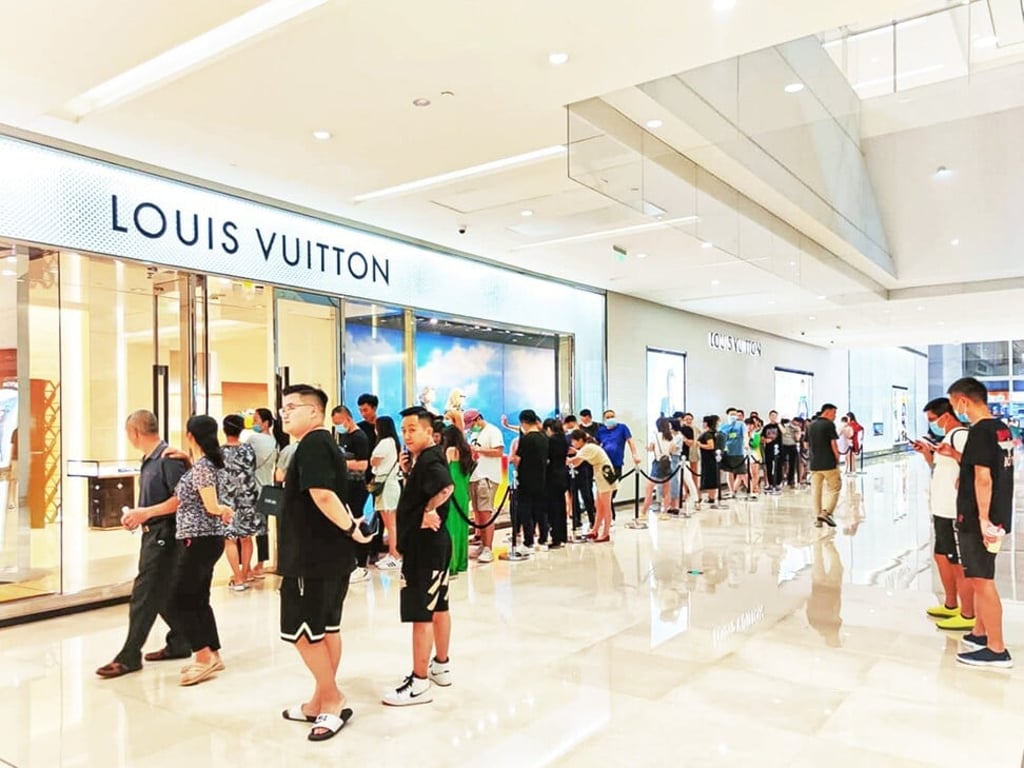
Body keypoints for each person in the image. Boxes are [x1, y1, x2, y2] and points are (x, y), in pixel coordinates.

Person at [276, 384, 373, 740]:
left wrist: (352, 529)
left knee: (302, 633)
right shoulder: (323, 444)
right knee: (326, 628)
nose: (284, 413)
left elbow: (323, 494)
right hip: (329, 556)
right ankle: (319, 699)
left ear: (315, 412)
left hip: (310, 558)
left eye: (292, 407)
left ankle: (332, 699)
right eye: (283, 407)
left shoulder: (315, 444)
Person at [95, 410, 191, 679]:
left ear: (134, 432)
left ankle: (129, 655)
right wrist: (139, 514)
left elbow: (182, 499)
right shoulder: (149, 460)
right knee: (163, 594)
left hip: (166, 535)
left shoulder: (168, 459)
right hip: (152, 533)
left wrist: (146, 513)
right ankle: (181, 640)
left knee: (144, 594)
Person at [383, 406, 455, 706]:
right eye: (404, 430)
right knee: (438, 605)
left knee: (421, 613)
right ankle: (440, 664)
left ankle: (419, 681)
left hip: (426, 547)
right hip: (434, 546)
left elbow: (446, 486)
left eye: (413, 429)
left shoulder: (429, 459)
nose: (407, 435)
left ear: (429, 432)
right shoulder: (424, 459)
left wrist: (428, 510)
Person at [947, 377, 1014, 668]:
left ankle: (996, 649)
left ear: (964, 401)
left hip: (978, 519)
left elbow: (983, 478)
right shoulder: (1001, 428)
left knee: (982, 580)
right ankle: (980, 632)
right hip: (998, 512)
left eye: (954, 404)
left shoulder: (979, 432)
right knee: (979, 574)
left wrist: (984, 519)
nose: (955, 410)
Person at [164, 415, 234, 687]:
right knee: (198, 596)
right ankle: (212, 653)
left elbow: (210, 504)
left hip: (199, 539)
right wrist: (187, 459)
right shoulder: (210, 463)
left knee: (179, 596)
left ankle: (202, 656)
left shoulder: (205, 467)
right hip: (207, 539)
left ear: (191, 436)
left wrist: (222, 510)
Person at [914, 398, 973, 631]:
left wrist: (953, 454)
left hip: (953, 509)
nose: (932, 424)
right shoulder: (947, 438)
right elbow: (940, 468)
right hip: (940, 507)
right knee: (942, 556)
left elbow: (975, 466)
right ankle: (950, 604)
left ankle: (968, 613)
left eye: (932, 419)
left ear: (945, 416)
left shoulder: (961, 435)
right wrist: (928, 454)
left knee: (956, 562)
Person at [333, 405, 372, 583]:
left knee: (357, 522)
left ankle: (362, 565)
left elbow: (363, 464)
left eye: (339, 423)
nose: (338, 427)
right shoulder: (344, 436)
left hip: (357, 486)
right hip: (345, 486)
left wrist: (340, 463)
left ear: (347, 419)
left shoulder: (360, 437)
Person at [221, 414, 259, 591]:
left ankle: (237, 578)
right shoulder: (249, 450)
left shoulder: (219, 453)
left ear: (224, 429)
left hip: (227, 500)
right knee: (246, 538)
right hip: (247, 497)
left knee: (230, 539)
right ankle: (245, 573)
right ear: (242, 429)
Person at [464, 409, 504, 564]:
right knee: (478, 513)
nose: (471, 428)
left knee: (486, 512)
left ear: (478, 419)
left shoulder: (493, 431)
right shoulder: (474, 434)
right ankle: (482, 543)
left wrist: (478, 450)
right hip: (474, 476)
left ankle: (488, 547)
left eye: (471, 424)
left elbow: (499, 452)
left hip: (487, 477)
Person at [248, 408, 281, 579]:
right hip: (267, 489)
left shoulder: (254, 438)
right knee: (263, 528)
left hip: (252, 489)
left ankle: (246, 567)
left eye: (256, 420)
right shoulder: (275, 442)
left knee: (245, 529)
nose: (253, 423)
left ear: (266, 423)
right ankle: (261, 563)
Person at [567, 429, 617, 542]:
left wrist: (563, 459)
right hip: (601, 476)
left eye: (574, 441)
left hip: (605, 476)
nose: (572, 443)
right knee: (599, 506)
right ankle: (594, 530)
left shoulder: (587, 448)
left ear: (580, 440)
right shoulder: (588, 447)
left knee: (606, 506)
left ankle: (605, 533)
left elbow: (575, 461)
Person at [511, 409, 549, 551]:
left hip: (526, 478)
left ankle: (528, 541)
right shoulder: (544, 437)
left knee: (525, 510)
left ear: (523, 422)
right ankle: (543, 538)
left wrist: (513, 460)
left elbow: (518, 459)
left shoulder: (526, 439)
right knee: (541, 510)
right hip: (542, 478)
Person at [370, 415, 403, 569]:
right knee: (390, 523)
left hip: (386, 485)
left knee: (391, 524)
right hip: (390, 484)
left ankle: (395, 555)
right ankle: (392, 553)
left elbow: (375, 460)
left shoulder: (385, 442)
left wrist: (373, 462)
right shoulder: (394, 443)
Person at [443, 425, 474, 575]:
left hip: (451, 493)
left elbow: (443, 469)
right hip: (463, 492)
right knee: (462, 528)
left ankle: (452, 564)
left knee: (451, 528)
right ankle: (462, 562)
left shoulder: (450, 451)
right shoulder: (466, 451)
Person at [595, 409, 641, 504]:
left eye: (612, 416)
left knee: (613, 488)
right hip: (604, 463)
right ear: (604, 419)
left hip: (616, 462)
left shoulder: (622, 428)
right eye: (608, 417)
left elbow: (630, 441)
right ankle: (608, 511)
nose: (610, 419)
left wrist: (635, 455)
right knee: (606, 489)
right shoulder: (601, 431)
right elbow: (596, 444)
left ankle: (608, 508)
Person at [808, 404, 841, 528]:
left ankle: (818, 519)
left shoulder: (810, 425)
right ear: (827, 412)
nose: (835, 416)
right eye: (834, 413)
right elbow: (833, 443)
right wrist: (837, 457)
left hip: (814, 463)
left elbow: (806, 444)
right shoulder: (829, 424)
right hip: (828, 463)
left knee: (816, 490)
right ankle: (826, 512)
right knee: (834, 488)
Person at [543, 418, 569, 548]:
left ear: (549, 428)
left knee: (553, 509)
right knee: (560, 507)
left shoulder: (551, 440)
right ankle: (562, 536)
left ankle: (556, 537)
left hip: (552, 477)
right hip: (562, 475)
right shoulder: (563, 439)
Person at [720, 408, 749, 500]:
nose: (733, 416)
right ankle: (732, 491)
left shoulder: (741, 424)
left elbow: (745, 435)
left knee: (742, 473)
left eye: (735, 414)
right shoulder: (723, 426)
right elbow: (721, 438)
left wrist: (746, 444)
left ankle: (751, 490)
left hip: (738, 452)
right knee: (729, 473)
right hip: (727, 452)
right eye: (731, 414)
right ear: (727, 415)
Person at [698, 415, 725, 509]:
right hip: (713, 458)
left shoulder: (708, 434)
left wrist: (699, 444)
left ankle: (711, 497)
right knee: (712, 477)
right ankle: (711, 496)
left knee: (709, 477)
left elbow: (711, 446)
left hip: (708, 458)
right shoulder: (715, 433)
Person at [761, 411, 783, 495]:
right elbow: (762, 437)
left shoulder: (779, 426)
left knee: (778, 466)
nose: (773, 417)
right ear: (769, 416)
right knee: (769, 466)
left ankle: (777, 483)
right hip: (769, 449)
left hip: (778, 449)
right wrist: (766, 440)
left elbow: (784, 432)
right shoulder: (766, 427)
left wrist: (779, 424)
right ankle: (770, 483)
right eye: (772, 415)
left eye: (775, 416)